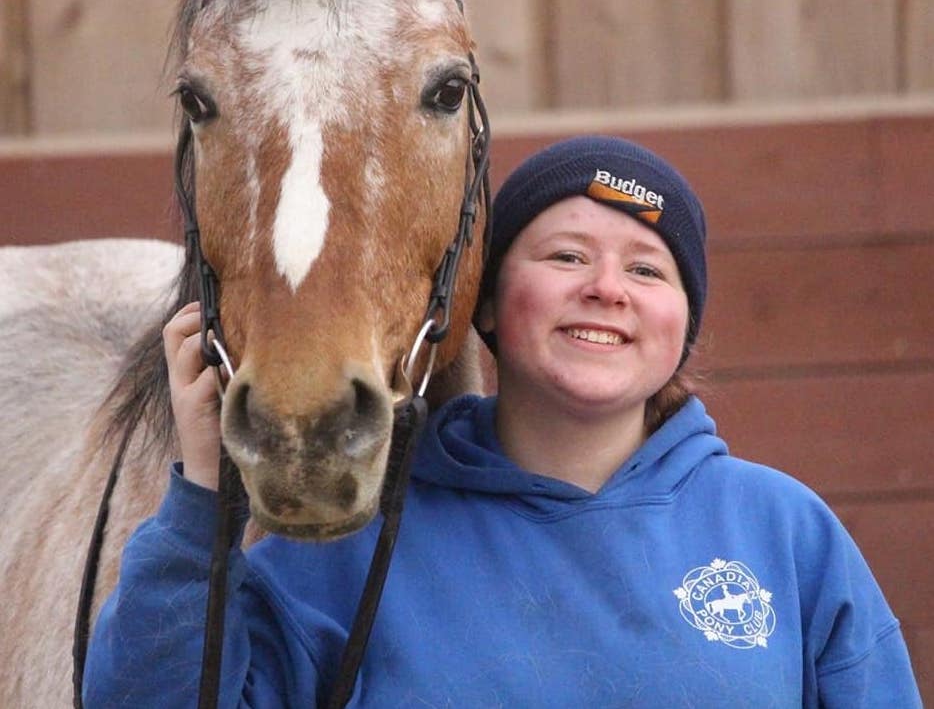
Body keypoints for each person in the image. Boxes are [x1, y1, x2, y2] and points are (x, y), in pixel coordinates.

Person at [84, 135, 922, 707]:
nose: (607, 288)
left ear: (683, 326)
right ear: (482, 305)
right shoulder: (349, 551)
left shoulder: (784, 532)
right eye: (565, 256)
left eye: (647, 269)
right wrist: (201, 501)